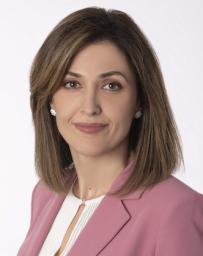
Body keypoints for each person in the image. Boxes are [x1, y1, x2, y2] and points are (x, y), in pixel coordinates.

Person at [17, 6, 203, 256]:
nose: (89, 107)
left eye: (111, 86)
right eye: (72, 84)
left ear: (140, 100)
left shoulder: (177, 211)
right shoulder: (45, 193)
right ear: (49, 98)